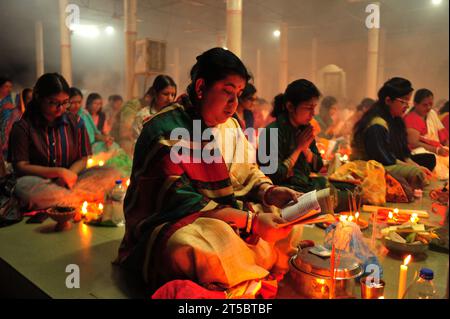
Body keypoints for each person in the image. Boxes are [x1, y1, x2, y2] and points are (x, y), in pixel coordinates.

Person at [116, 48, 304, 294]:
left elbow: (246, 170)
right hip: (177, 223)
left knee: (289, 217)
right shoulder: (164, 129)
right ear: (201, 87)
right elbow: (176, 201)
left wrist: (270, 192)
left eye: (238, 94)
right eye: (227, 92)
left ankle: (243, 270)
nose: (234, 104)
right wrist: (251, 222)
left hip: (228, 213)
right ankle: (254, 265)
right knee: (195, 246)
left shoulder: (231, 126)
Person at [8, 73, 120, 210]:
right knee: (22, 189)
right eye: (54, 103)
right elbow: (21, 166)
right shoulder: (23, 127)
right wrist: (58, 172)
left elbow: (84, 157)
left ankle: (66, 200)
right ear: (38, 97)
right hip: (38, 182)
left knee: (111, 173)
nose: (61, 108)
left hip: (72, 180)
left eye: (65, 102)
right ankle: (80, 198)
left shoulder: (76, 122)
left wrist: (70, 174)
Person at [351, 77, 433, 190]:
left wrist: (416, 165)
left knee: (425, 163)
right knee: (415, 173)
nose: (407, 106)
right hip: (369, 169)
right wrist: (411, 168)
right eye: (403, 101)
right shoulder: (377, 124)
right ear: (388, 101)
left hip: (386, 164)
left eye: (408, 101)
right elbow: (383, 158)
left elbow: (402, 154)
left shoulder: (396, 120)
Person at [259, 80, 326, 193]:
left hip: (305, 186)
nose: (313, 113)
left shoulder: (305, 129)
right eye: (309, 108)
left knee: (349, 192)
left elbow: (318, 167)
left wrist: (306, 150)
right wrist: (298, 149)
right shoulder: (271, 132)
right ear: (290, 106)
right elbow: (273, 176)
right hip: (283, 192)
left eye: (314, 107)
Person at [404, 89, 449, 179]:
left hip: (438, 150)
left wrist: (445, 148)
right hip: (420, 154)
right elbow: (413, 143)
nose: (428, 107)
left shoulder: (431, 115)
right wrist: (436, 150)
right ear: (416, 104)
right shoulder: (412, 118)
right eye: (425, 105)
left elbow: (444, 138)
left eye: (430, 104)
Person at [68, 89, 115, 155]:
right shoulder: (64, 117)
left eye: (79, 102)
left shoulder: (85, 114)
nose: (77, 106)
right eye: (73, 103)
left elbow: (94, 134)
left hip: (90, 147)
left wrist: (106, 138)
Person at [132, 75, 176, 142]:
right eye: (165, 94)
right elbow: (138, 145)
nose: (170, 99)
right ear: (155, 93)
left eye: (173, 95)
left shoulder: (174, 116)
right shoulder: (143, 116)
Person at [0, 77, 15, 156]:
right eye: (6, 86)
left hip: (9, 133)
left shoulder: (12, 98)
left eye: (10, 87)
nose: (9, 89)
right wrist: (2, 109)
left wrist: (14, 108)